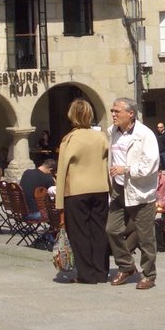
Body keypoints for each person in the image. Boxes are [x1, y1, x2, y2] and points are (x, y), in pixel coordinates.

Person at [55, 101, 111, 284]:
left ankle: (87, 274)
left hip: (76, 191)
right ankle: (101, 271)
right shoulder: (101, 136)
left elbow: (62, 170)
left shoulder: (69, 139)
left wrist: (59, 204)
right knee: (99, 231)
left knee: (80, 233)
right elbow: (107, 162)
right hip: (100, 188)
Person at [107, 97, 160, 289]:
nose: (113, 114)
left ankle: (149, 275)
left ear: (130, 113)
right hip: (119, 189)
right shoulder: (111, 131)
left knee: (145, 236)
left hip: (140, 191)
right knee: (111, 229)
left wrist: (127, 169)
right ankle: (127, 266)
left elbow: (151, 164)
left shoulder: (145, 135)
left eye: (116, 111)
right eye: (112, 111)